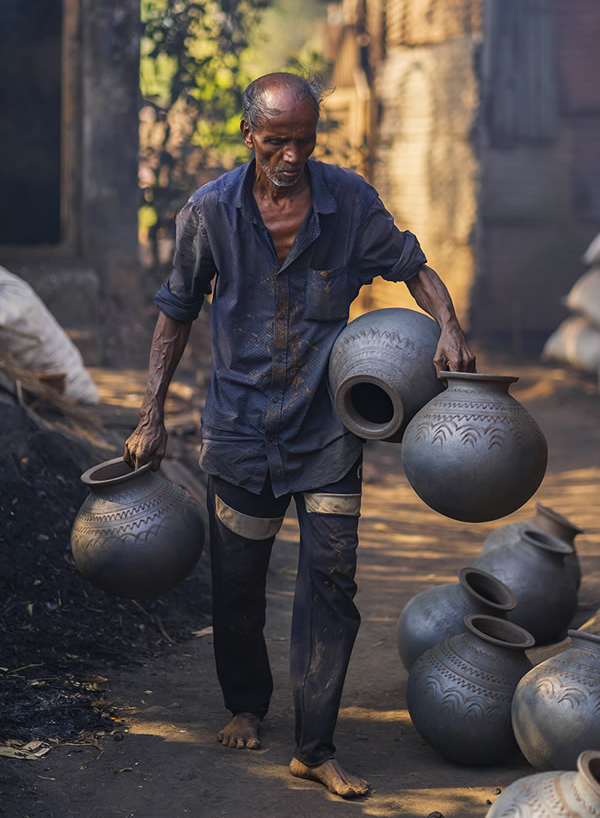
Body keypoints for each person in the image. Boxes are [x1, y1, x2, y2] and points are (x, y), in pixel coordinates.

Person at [124, 72, 475, 798]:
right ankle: (247, 704)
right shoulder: (210, 211)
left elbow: (413, 266)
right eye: (277, 139)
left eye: (304, 140)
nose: (291, 154)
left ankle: (315, 745)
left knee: (331, 583)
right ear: (250, 135)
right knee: (239, 583)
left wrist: (449, 323)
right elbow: (176, 311)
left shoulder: (349, 202)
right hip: (240, 428)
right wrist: (151, 411)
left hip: (326, 433)